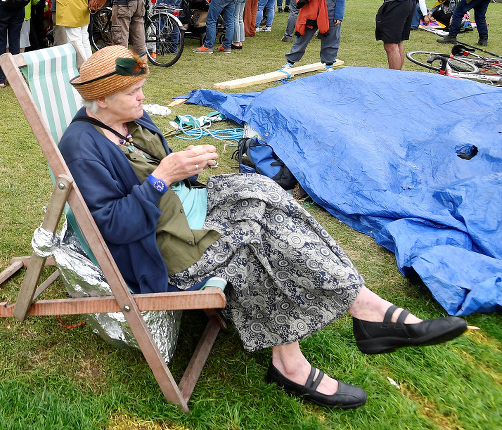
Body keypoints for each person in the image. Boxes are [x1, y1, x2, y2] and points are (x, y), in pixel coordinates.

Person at [59, 45, 468, 410]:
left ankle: (362, 306)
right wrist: (163, 176)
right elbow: (111, 226)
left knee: (263, 190)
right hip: (163, 247)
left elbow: (158, 170)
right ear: (102, 99)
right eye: (134, 93)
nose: (143, 98)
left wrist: (183, 163)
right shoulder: (82, 146)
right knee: (255, 239)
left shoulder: (129, 121)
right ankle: (317, 345)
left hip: (185, 213)